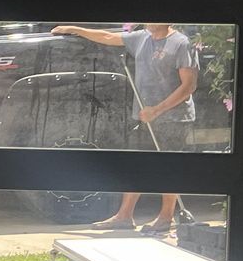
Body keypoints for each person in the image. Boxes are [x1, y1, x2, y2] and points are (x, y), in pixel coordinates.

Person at [51, 22, 198, 233]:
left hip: (174, 117)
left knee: (168, 167)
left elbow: (189, 86)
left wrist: (157, 110)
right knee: (136, 164)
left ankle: (166, 218)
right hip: (145, 117)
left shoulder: (181, 44)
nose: (149, 20)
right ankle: (124, 216)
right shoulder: (142, 38)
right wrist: (76, 29)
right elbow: (109, 37)